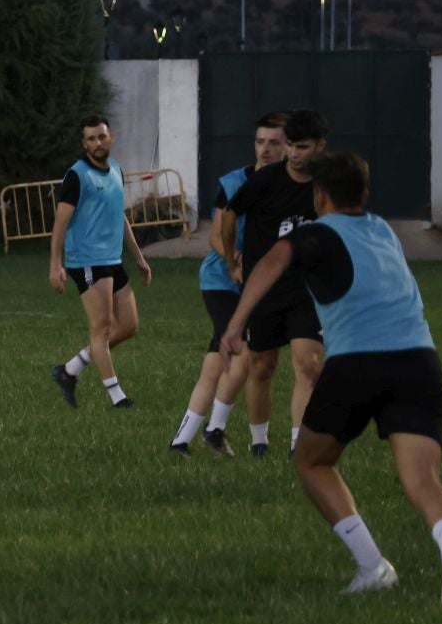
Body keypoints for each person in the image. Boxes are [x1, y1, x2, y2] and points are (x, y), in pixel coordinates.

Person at [220, 152, 442, 608]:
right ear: (365, 194)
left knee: (312, 462)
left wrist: (237, 323)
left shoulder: (318, 233)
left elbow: (273, 260)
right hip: (420, 361)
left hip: (359, 363)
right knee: (422, 480)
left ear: (319, 196)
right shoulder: (383, 230)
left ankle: (374, 567)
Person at [170, 112, 287, 456]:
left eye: (274, 142)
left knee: (216, 361)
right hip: (222, 282)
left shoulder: (291, 187)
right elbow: (217, 235)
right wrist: (232, 261)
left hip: (258, 286)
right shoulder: (235, 182)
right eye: (260, 141)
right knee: (241, 351)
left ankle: (181, 441)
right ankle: (215, 430)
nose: (265, 149)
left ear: (288, 147)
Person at [221, 107, 329, 456]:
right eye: (292, 146)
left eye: (303, 147)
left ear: (320, 147)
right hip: (263, 289)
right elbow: (230, 214)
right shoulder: (264, 182)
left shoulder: (326, 185)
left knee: (309, 365)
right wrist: (230, 260)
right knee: (262, 366)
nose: (295, 155)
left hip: (306, 290)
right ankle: (259, 441)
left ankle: (299, 446)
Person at [49, 115, 153, 410]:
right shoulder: (77, 176)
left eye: (102, 137)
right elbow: (59, 225)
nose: (98, 143)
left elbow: (119, 216)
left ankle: (69, 370)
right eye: (92, 139)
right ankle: (117, 396)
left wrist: (139, 257)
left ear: (111, 137)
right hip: (87, 261)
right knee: (103, 328)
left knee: (129, 326)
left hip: (112, 260)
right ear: (84, 144)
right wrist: (55, 264)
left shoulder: (116, 170)